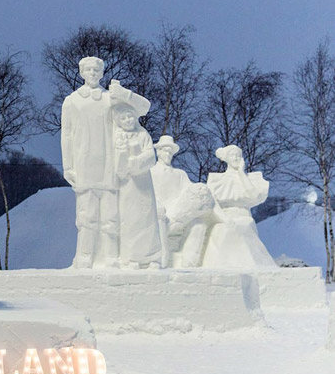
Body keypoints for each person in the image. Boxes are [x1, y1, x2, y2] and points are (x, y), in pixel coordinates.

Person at [60, 57, 116, 268]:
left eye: (97, 70)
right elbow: (66, 134)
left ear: (102, 73)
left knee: (110, 215)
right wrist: (68, 165)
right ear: (82, 72)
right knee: (86, 215)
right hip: (84, 162)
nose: (93, 73)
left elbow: (139, 110)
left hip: (108, 163)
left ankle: (110, 256)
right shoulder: (72, 101)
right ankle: (85, 256)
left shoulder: (110, 99)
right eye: (89, 69)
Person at [109, 82, 162, 268]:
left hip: (143, 183)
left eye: (131, 117)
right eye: (124, 118)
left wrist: (134, 162)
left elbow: (150, 157)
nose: (129, 121)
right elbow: (117, 165)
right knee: (129, 220)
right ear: (119, 120)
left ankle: (151, 256)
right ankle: (131, 257)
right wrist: (124, 156)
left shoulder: (143, 134)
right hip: (127, 186)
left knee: (147, 218)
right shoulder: (116, 136)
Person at [202, 145, 277, 268]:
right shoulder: (218, 180)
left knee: (243, 228)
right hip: (223, 218)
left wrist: (242, 174)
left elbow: (254, 196)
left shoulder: (251, 178)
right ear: (226, 158)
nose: (236, 158)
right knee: (222, 232)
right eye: (232, 155)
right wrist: (224, 219)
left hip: (244, 217)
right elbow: (213, 203)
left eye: (238, 155)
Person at [151, 135, 213, 267]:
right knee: (159, 218)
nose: (167, 154)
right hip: (158, 215)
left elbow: (190, 190)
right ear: (158, 151)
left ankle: (190, 263)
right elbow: (147, 194)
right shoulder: (150, 172)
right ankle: (163, 260)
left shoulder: (180, 174)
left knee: (199, 223)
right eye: (165, 150)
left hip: (177, 215)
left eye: (170, 151)